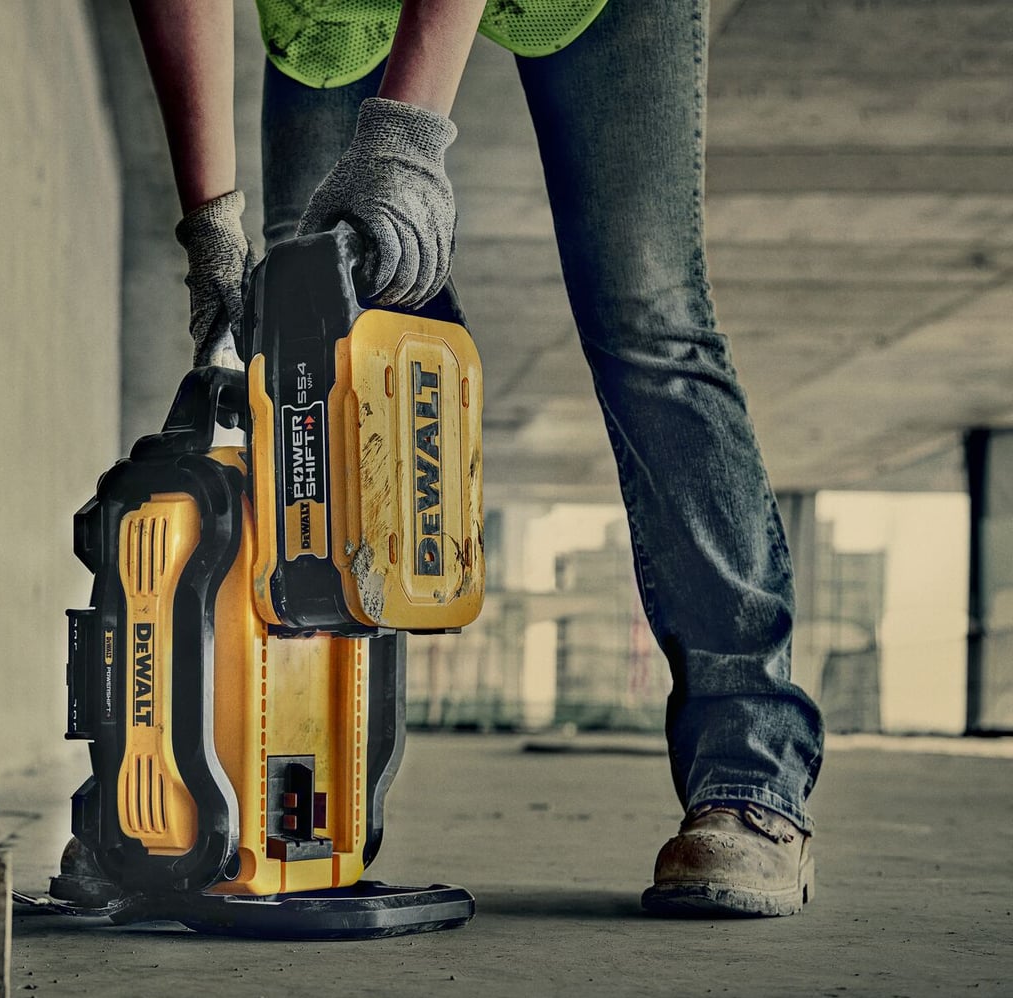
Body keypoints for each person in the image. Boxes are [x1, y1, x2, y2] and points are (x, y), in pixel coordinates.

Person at [130, 0, 824, 917]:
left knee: (648, 323)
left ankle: (751, 784)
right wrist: (210, 227)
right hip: (340, 19)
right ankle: (291, 784)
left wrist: (405, 141)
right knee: (306, 349)